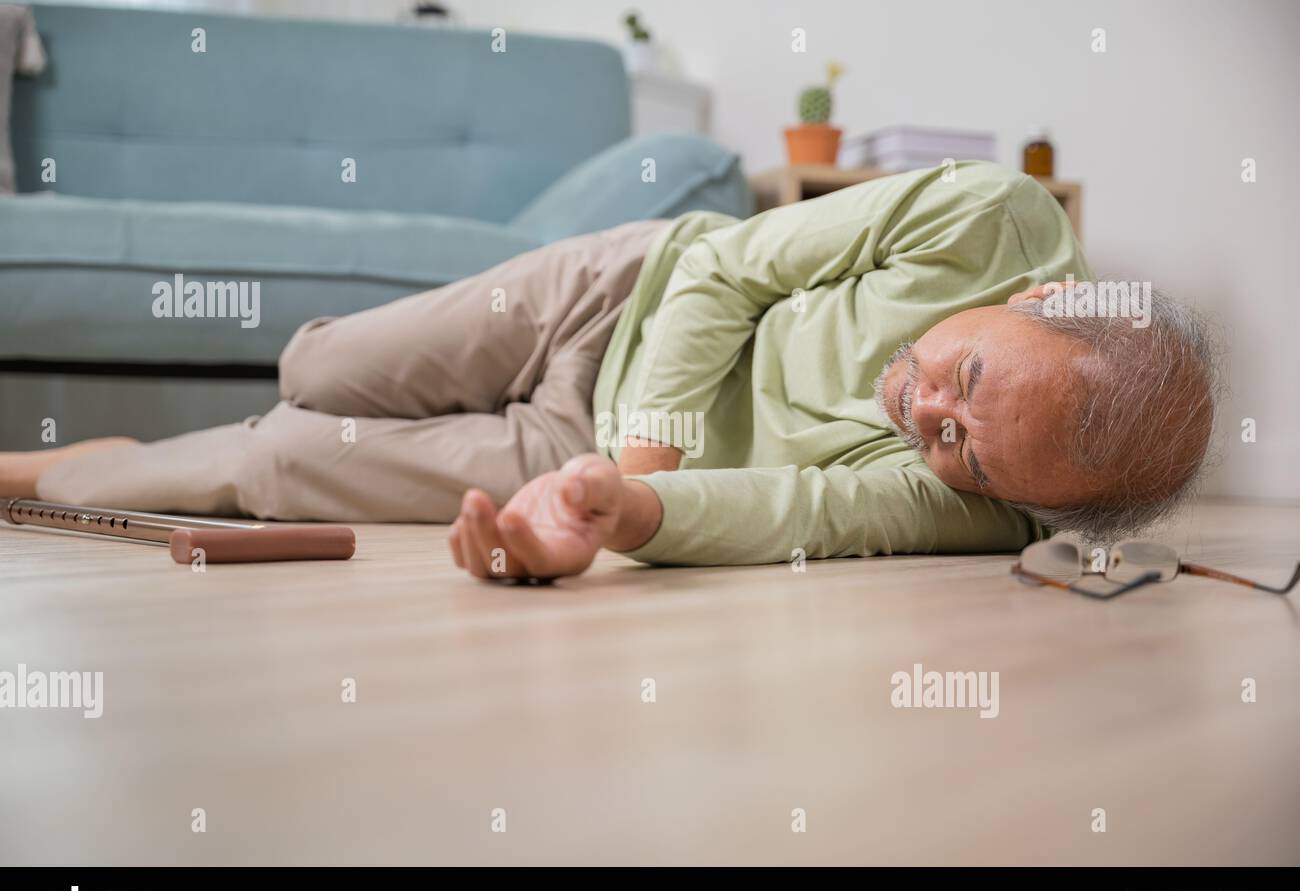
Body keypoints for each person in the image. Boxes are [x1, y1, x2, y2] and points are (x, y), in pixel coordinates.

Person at [0, 163, 1217, 579]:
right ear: (1048, 296)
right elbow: (729, 273)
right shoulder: (990, 217)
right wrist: (640, 455)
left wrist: (615, 508)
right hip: (618, 294)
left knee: (275, 461)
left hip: (583, 448)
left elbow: (804, 509)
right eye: (963, 373)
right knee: (316, 368)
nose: (923, 411)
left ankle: (43, 474)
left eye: (961, 448)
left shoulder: (984, 500)